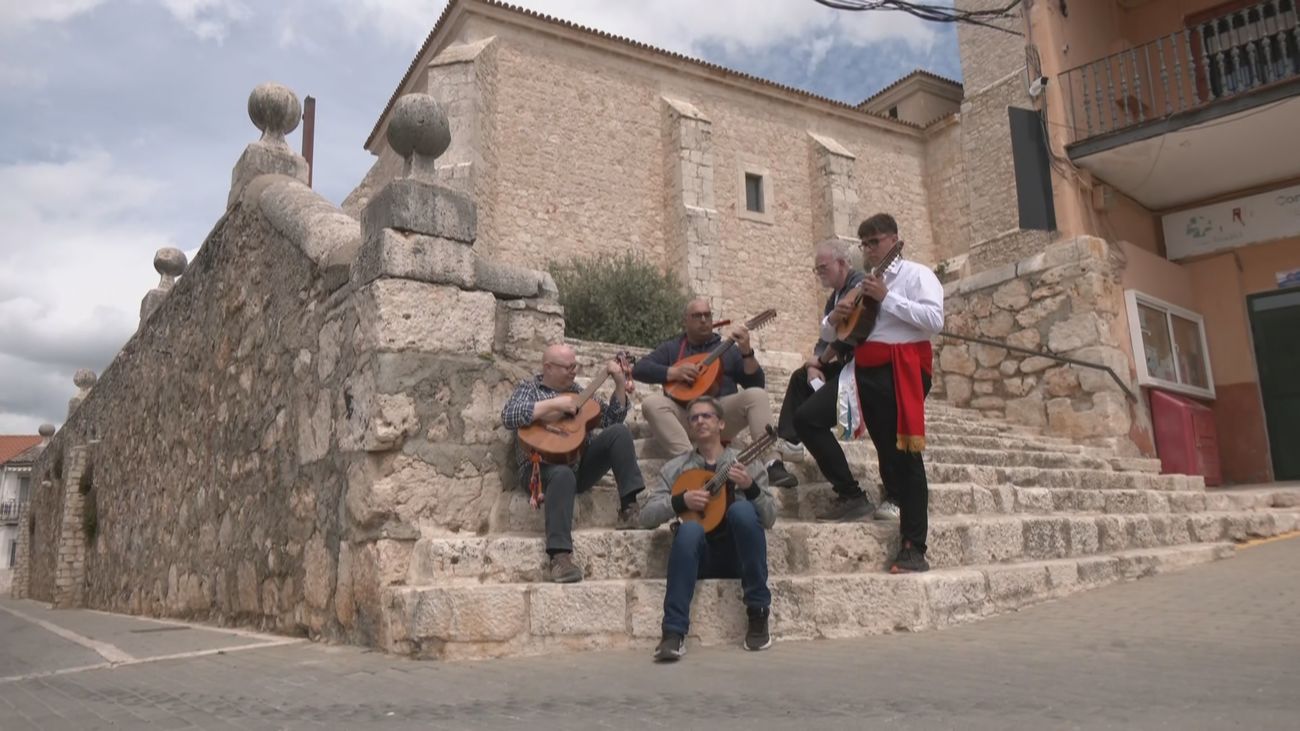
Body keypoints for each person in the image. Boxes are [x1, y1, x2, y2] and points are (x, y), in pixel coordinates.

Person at [791, 213, 943, 574]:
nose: (869, 250)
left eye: (875, 242)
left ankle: (913, 546)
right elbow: (833, 337)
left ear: (894, 240)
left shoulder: (917, 274)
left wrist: (888, 299)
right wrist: (835, 316)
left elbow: (934, 321)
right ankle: (851, 494)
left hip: (901, 369)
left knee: (904, 457)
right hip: (863, 371)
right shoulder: (862, 284)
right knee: (808, 418)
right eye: (865, 244)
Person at [638, 395, 775, 661]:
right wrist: (681, 501)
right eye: (694, 418)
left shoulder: (746, 463)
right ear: (689, 427)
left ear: (721, 423)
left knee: (742, 510)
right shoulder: (676, 468)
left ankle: (758, 613)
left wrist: (751, 487)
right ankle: (673, 633)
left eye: (707, 416)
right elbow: (646, 516)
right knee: (689, 529)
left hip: (739, 555)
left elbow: (769, 517)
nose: (700, 421)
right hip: (698, 557)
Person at [501, 343, 645, 583]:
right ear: (548, 367)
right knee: (562, 475)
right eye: (568, 367)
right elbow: (509, 415)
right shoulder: (530, 388)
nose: (573, 371)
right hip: (540, 470)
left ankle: (629, 508)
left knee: (619, 432)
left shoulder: (580, 391)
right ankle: (560, 557)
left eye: (575, 366)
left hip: (578, 465)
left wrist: (619, 383)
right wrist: (555, 404)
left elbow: (612, 419)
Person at [633, 297, 788, 487]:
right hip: (686, 417)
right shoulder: (672, 348)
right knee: (651, 403)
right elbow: (639, 369)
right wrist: (673, 372)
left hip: (720, 418)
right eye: (697, 316)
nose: (704, 320)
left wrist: (747, 351)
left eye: (707, 315)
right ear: (686, 321)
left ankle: (773, 463)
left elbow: (756, 383)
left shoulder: (729, 350)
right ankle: (691, 465)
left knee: (757, 396)